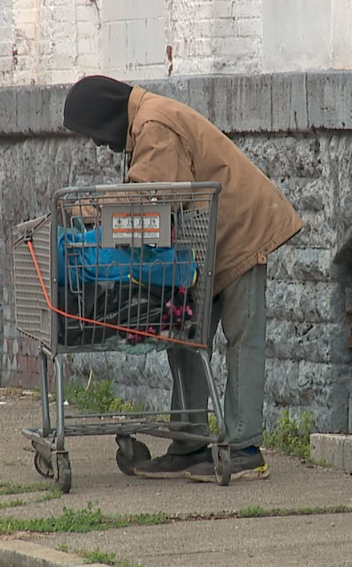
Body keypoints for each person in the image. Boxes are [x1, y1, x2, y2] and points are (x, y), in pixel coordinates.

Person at [62, 75, 303, 482]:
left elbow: (149, 197)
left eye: (96, 136)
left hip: (241, 230)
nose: (99, 145)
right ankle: (189, 445)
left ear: (105, 118)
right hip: (205, 242)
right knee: (186, 338)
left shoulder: (154, 125)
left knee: (242, 336)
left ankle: (244, 448)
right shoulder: (146, 121)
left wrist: (85, 209)